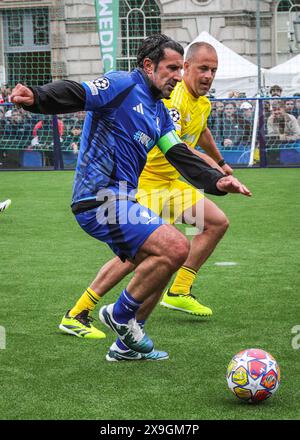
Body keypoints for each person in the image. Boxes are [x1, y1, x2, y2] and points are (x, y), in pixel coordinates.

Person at [12, 34, 251, 361]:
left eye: (180, 69)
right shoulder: (122, 84)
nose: (178, 76)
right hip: (98, 200)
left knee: (161, 260)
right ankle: (120, 315)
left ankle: (125, 345)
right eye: (171, 68)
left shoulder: (159, 113)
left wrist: (217, 180)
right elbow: (77, 92)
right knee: (177, 245)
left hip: (125, 201)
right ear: (148, 65)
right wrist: (37, 96)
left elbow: (178, 153)